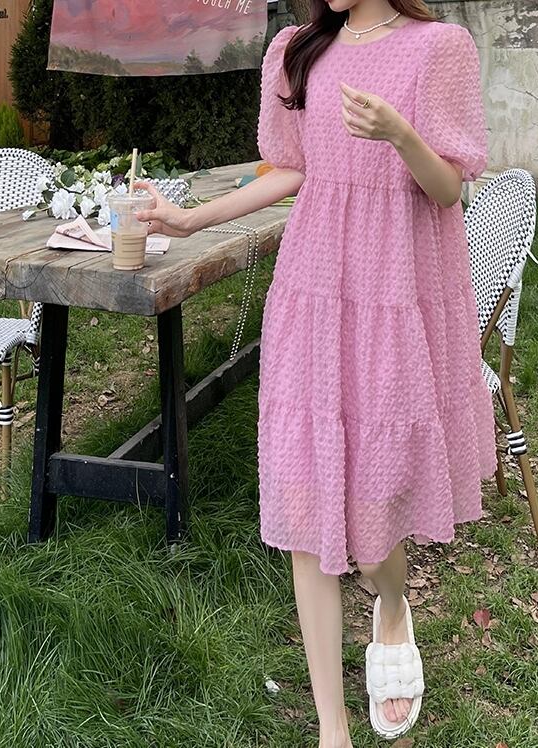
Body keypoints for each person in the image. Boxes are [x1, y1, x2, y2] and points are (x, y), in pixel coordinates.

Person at [136, 1, 495, 744]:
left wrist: (400, 134)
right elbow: (292, 169)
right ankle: (333, 728)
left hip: (393, 289)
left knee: (375, 521)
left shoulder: (439, 47)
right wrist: (190, 219)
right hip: (314, 284)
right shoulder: (299, 50)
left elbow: (449, 189)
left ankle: (391, 603)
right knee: (305, 497)